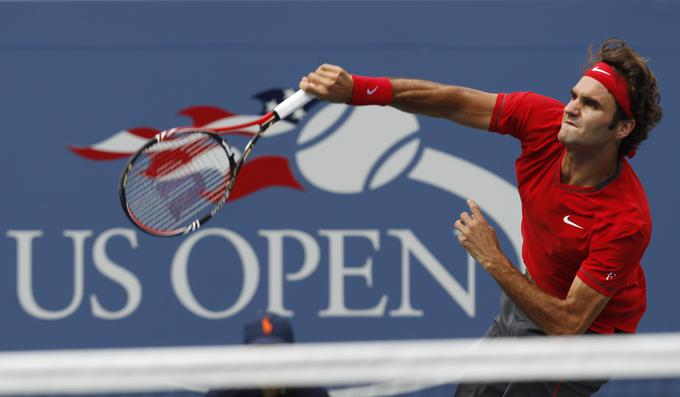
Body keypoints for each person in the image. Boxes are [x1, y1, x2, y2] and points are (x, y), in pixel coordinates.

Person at [299, 38, 662, 396]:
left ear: (622, 128)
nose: (571, 108)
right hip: (526, 303)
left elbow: (568, 324)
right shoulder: (542, 121)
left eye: (590, 105)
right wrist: (357, 90)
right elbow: (452, 100)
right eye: (574, 96)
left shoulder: (625, 220)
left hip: (580, 346)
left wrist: (492, 258)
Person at [206, 313, 329, 397]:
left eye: (277, 354)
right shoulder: (223, 394)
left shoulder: (313, 394)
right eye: (260, 354)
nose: (269, 363)